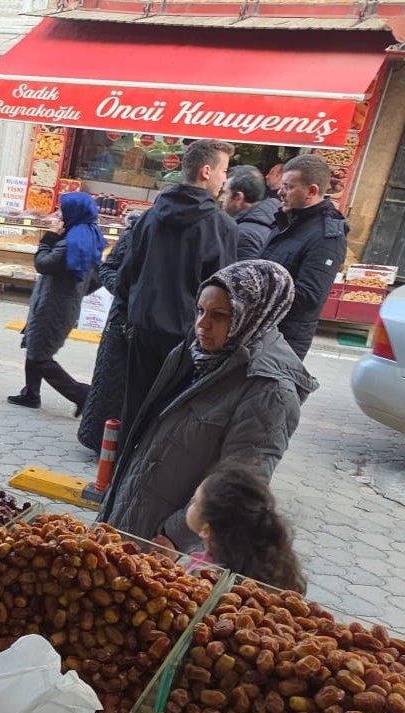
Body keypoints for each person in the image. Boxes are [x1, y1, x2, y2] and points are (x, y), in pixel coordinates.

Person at [97, 259, 318, 551]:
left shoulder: (269, 390)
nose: (202, 324)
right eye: (200, 311)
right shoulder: (197, 354)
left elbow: (239, 487)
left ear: (254, 314)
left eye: (220, 315)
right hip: (133, 510)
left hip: (168, 544)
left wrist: (175, 537)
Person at [115, 138, 238, 428]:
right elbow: (225, 293)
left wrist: (127, 316)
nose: (225, 179)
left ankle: (122, 468)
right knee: (171, 417)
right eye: (224, 171)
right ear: (206, 171)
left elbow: (126, 274)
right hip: (189, 337)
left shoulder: (149, 218)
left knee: (135, 410)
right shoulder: (221, 227)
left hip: (143, 329)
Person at [7, 191, 105, 413]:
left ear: (72, 214)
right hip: (57, 304)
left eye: (61, 210)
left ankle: (81, 393)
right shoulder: (86, 236)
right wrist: (76, 291)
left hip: (52, 308)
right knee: (33, 344)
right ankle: (30, 393)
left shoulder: (70, 243)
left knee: (39, 355)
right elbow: (97, 278)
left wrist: (49, 238)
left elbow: (43, 264)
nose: (56, 214)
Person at [260, 153, 348, 360]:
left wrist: (258, 288)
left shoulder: (327, 237)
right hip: (262, 329)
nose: (280, 193)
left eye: (289, 187)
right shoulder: (287, 220)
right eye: (282, 185)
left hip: (284, 341)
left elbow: (310, 296)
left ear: (312, 191)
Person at [77, 209, 142, 452]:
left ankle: (124, 447)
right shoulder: (137, 231)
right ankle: (98, 442)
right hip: (121, 322)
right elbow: (108, 267)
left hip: (157, 329)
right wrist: (125, 291)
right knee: (109, 384)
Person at [185, 464, 307, 592]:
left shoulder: (203, 577)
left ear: (206, 529)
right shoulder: (272, 565)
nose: (191, 503)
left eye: (195, 501)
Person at [220, 165, 278, 261]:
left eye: (225, 193)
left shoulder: (244, 235)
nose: (221, 199)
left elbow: (242, 274)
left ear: (238, 198)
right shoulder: (274, 219)